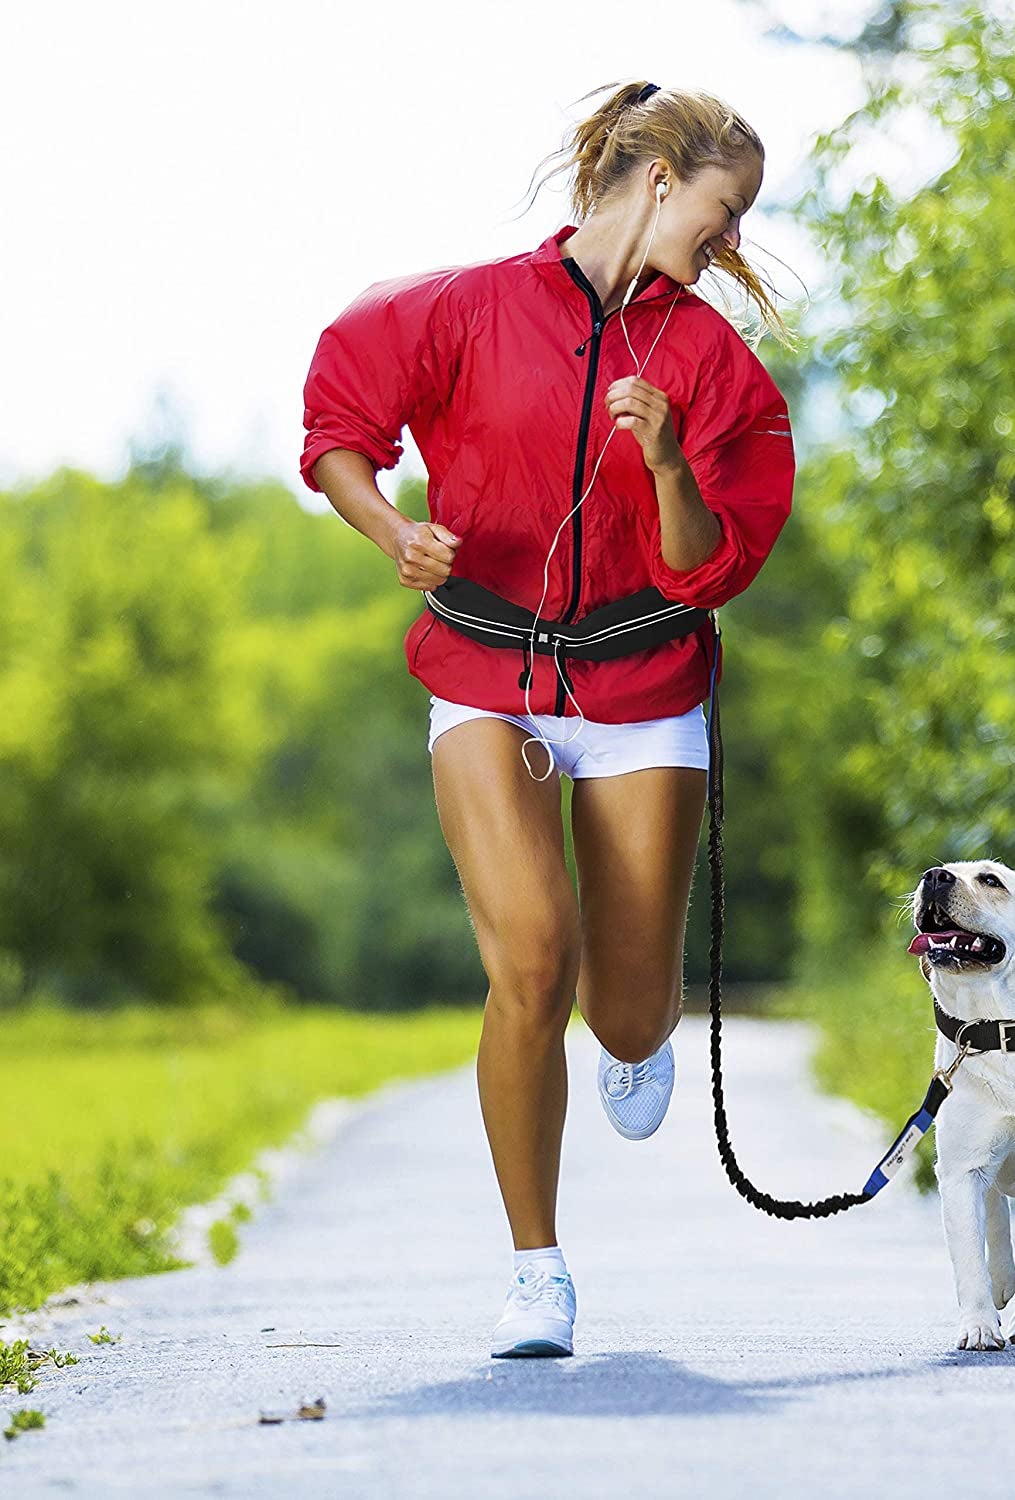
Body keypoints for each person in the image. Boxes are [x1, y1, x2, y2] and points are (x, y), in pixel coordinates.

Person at [298, 79, 798, 1358]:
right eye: (722, 211)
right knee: (531, 957)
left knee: (627, 1011)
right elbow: (341, 425)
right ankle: (537, 1271)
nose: (728, 242)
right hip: (485, 675)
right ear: (657, 179)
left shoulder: (713, 368)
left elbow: (711, 570)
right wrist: (395, 528)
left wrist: (672, 462)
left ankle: (637, 1044)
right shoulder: (460, 310)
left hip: (641, 696)